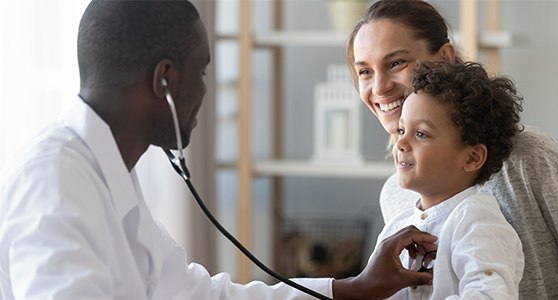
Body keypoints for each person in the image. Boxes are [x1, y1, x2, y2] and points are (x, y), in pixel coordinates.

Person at [0, 1, 438, 299]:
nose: (206, 92)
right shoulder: (54, 185)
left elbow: (200, 294)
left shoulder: (107, 175)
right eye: (203, 72)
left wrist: (356, 287)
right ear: (165, 81)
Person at [347, 0, 558, 299]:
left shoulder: (530, 157)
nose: (378, 87)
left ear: (443, 58)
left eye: (396, 63)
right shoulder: (398, 194)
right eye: (364, 71)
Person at [372, 60, 524, 299]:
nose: (400, 144)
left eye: (421, 134)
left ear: (472, 157)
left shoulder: (478, 221)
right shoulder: (396, 228)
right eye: (402, 130)